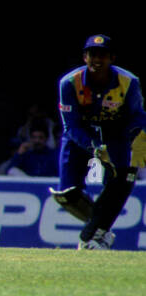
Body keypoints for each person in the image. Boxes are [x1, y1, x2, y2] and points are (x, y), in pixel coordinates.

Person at [51, 35, 146, 250]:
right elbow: (70, 126)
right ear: (85, 57)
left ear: (111, 58)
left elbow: (138, 116)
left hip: (115, 133)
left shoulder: (128, 82)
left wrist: (139, 139)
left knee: (123, 178)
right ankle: (99, 227)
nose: (97, 60)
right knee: (67, 195)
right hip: (81, 135)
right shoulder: (69, 83)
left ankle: (96, 233)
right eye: (92, 54)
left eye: (102, 55)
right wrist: (94, 147)